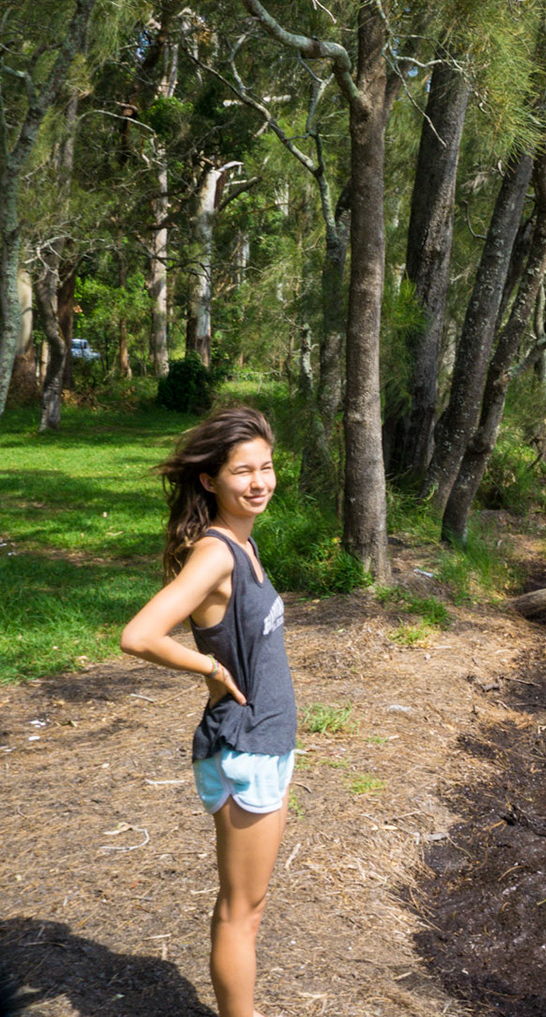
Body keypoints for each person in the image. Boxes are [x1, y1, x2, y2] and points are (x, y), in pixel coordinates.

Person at [121, 405, 295, 1017]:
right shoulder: (217, 554)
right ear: (209, 479)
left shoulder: (241, 543)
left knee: (247, 907)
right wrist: (211, 669)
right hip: (246, 748)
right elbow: (140, 635)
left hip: (258, 743)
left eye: (266, 467)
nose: (259, 482)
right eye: (242, 471)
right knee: (241, 913)